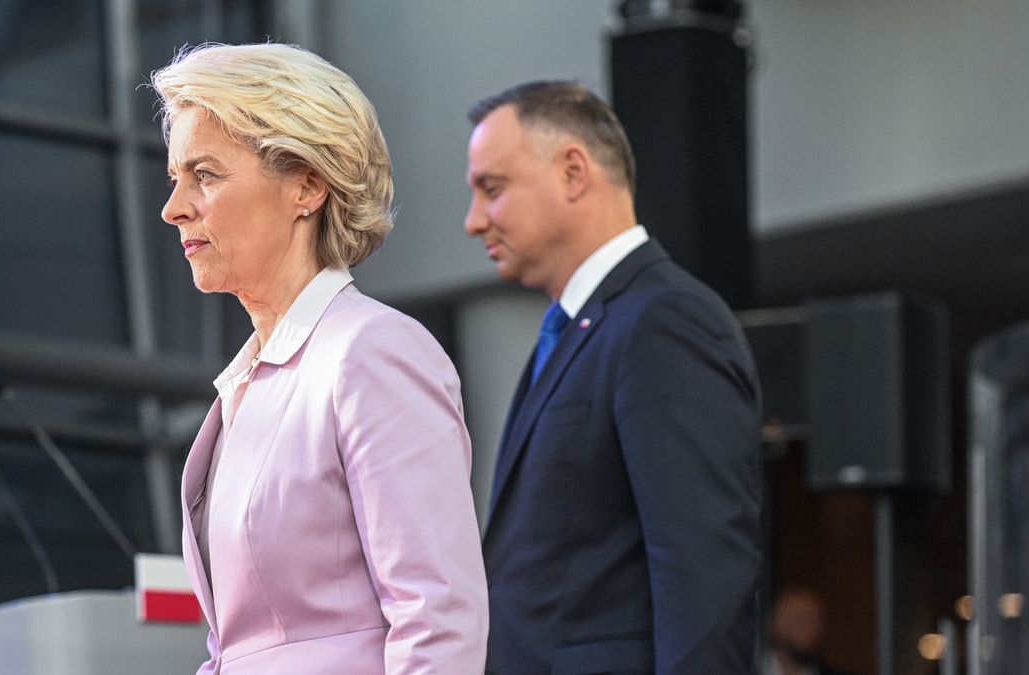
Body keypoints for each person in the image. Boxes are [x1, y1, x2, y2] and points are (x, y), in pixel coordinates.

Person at [152, 43, 488, 674]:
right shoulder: (251, 380)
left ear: (306, 186)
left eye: (206, 174)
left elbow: (438, 622)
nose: (174, 208)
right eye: (175, 179)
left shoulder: (372, 353)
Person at [465, 81, 762, 674]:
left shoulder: (665, 320)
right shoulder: (581, 327)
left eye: (491, 190)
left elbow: (703, 571)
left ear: (574, 172)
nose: (474, 221)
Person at [761, 587, 851, 675]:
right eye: (800, 620)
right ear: (774, 626)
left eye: (816, 622)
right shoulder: (752, 670)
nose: (810, 629)